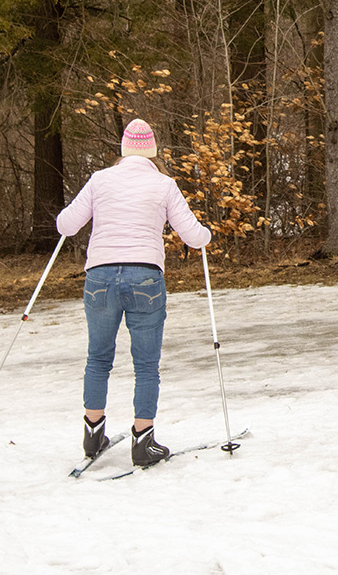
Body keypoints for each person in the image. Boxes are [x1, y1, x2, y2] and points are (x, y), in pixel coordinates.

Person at [56, 119, 212, 467]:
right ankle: (143, 442)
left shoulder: (100, 180)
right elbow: (192, 236)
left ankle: (93, 435)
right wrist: (206, 235)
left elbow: (66, 225)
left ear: (124, 151)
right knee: (146, 364)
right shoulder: (164, 184)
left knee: (98, 358)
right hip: (145, 277)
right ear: (152, 152)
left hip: (100, 276)